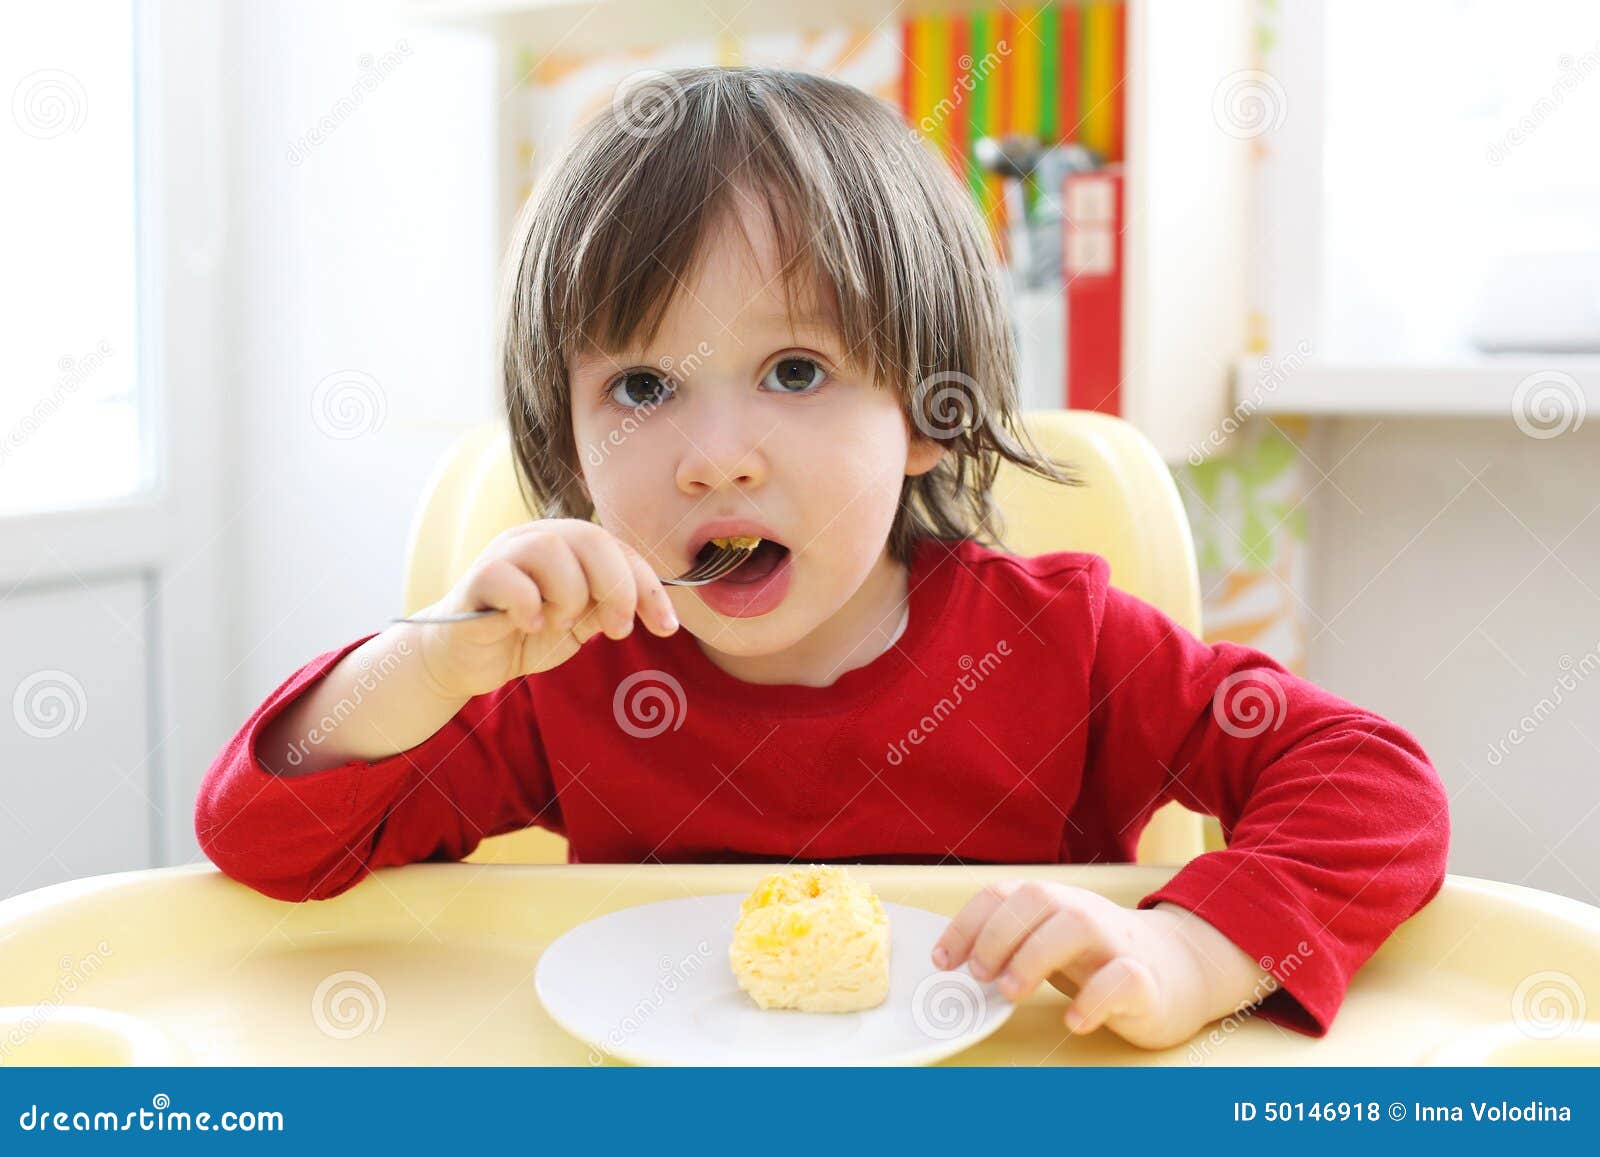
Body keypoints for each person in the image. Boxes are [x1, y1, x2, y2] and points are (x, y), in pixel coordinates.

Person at [196, 66, 1449, 1050]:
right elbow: (263, 843)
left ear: (922, 415)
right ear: (570, 447)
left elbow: (1374, 786)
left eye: (796, 372)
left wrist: (1186, 952)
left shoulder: (1061, 648)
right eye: (642, 384)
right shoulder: (559, 676)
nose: (715, 458)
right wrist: (421, 665)